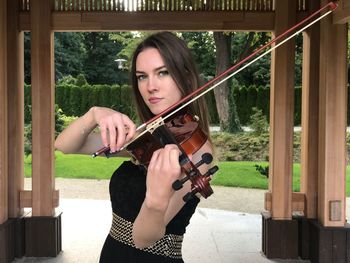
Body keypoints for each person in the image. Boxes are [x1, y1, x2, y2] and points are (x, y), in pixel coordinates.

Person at [54, 31, 213, 263]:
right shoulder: (146, 136)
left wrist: (156, 201)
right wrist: (95, 114)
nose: (151, 86)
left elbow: (142, 238)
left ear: (186, 77)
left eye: (163, 72)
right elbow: (64, 145)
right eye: (142, 76)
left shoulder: (198, 152)